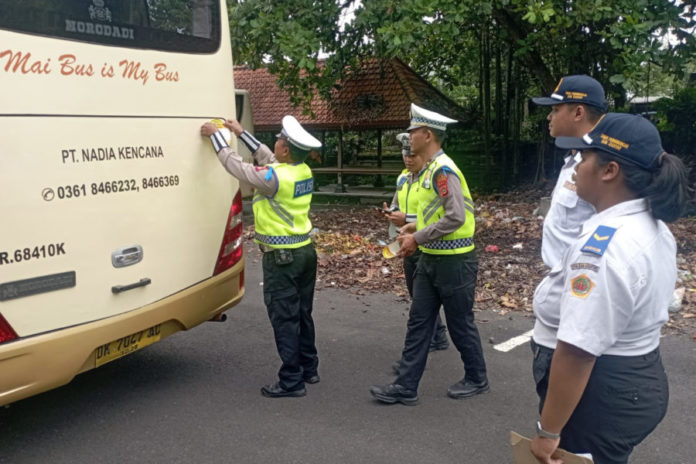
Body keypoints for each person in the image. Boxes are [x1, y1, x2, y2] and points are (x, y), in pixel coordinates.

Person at [529, 112, 690, 463]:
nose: (575, 166)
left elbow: (578, 350)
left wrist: (548, 432)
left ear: (609, 171)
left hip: (598, 395)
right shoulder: (650, 226)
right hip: (632, 379)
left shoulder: (604, 247)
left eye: (584, 157)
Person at [370, 103, 488, 405]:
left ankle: (477, 377)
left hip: (455, 261)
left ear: (428, 135)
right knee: (419, 322)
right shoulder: (427, 171)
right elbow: (432, 216)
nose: (409, 137)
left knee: (460, 324)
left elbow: (456, 217)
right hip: (430, 258)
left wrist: (417, 236)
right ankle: (405, 386)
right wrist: (412, 228)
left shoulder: (443, 171)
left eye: (413, 132)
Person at [200, 115, 322, 398]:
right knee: (302, 312)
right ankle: (309, 367)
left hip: (282, 259)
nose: (276, 142)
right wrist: (241, 133)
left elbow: (237, 167)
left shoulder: (274, 178)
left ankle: (291, 380)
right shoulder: (301, 170)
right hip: (305, 252)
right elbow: (267, 157)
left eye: (279, 139)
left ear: (286, 150)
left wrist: (215, 136)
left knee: (284, 317)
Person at [381, 133, 449, 359]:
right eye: (405, 155)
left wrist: (406, 219)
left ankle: (428, 341)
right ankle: (438, 334)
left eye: (413, 155)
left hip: (425, 242)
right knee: (416, 294)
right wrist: (391, 213)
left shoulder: (432, 179)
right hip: (406, 242)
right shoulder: (403, 178)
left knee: (423, 300)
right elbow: (396, 204)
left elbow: (440, 216)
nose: (408, 160)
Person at [532, 75, 607, 269]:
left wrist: (584, 275)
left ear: (578, 113)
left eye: (556, 110)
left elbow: (609, 230)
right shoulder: (573, 159)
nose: (549, 117)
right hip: (560, 274)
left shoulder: (601, 167)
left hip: (580, 276)